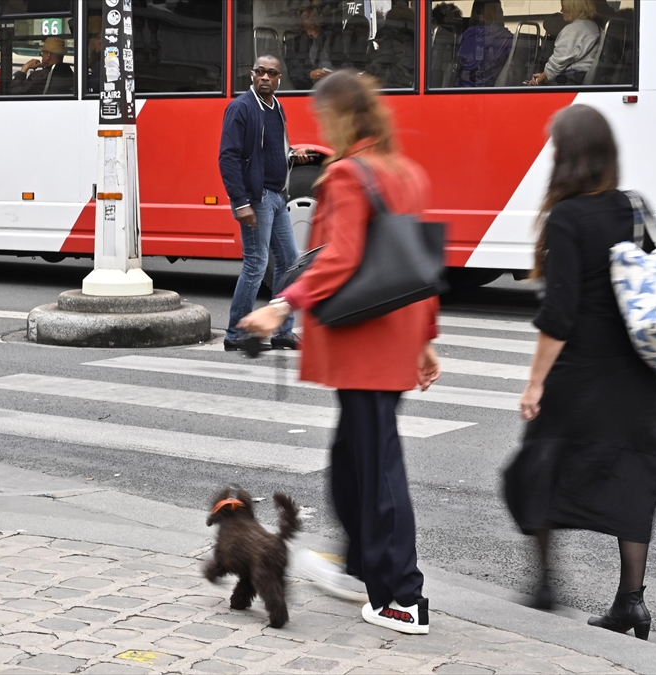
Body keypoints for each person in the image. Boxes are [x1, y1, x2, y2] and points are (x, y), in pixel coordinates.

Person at [239, 70, 441, 635]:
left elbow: (340, 256)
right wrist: (425, 338)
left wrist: (283, 304)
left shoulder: (349, 177)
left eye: (324, 117)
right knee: (354, 466)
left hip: (365, 344)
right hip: (392, 340)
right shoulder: (405, 172)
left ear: (342, 118)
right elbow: (419, 265)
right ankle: (361, 565)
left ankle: (402, 596)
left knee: (376, 474)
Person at [503, 104, 656, 640]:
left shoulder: (568, 217)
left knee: (538, 469)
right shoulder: (633, 206)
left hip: (578, 375)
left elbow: (560, 315)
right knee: (632, 475)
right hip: (635, 374)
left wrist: (534, 384)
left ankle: (546, 582)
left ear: (566, 158)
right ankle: (631, 601)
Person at [218, 55, 310, 352]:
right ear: (251, 74)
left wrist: (292, 154)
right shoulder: (241, 108)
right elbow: (228, 158)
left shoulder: (277, 107)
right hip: (256, 198)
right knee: (256, 264)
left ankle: (283, 331)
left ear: (279, 78)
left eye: (272, 73)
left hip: (278, 197)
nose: (265, 77)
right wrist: (240, 202)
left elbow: (272, 148)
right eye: (260, 72)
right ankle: (235, 333)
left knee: (290, 261)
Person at [529, 0, 600, 86]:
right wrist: (545, 75)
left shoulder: (572, 30)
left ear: (574, 9)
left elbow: (557, 62)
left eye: (564, 7)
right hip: (583, 77)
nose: (561, 10)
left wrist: (539, 80)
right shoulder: (594, 27)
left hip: (572, 81)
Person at [456, 0, 513, 87]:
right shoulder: (507, 38)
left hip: (463, 91)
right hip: (491, 92)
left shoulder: (467, 36)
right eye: (500, 9)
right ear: (497, 13)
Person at [284, 6, 342, 90]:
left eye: (314, 16)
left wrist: (334, 74)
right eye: (307, 17)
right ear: (301, 23)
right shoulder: (293, 43)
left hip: (333, 86)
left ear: (320, 19)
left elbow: (342, 63)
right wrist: (309, 75)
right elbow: (293, 72)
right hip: (306, 90)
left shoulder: (333, 39)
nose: (311, 20)